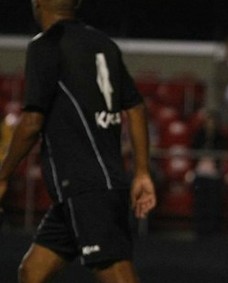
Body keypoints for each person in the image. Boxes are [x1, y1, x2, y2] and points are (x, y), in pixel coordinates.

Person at [0, 0, 157, 282]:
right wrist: (142, 171)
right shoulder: (103, 43)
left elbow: (32, 123)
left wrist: (3, 173)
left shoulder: (45, 45)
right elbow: (135, 107)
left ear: (38, 4)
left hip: (86, 187)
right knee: (32, 272)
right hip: (85, 188)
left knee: (118, 274)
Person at [191, 109, 228, 238]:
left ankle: (213, 231)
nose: (210, 124)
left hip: (214, 174)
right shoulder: (199, 135)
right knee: (200, 203)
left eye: (213, 122)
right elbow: (192, 150)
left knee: (213, 203)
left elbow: (223, 152)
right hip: (200, 173)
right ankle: (199, 231)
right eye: (208, 121)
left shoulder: (221, 137)